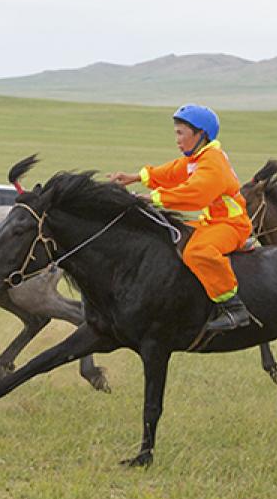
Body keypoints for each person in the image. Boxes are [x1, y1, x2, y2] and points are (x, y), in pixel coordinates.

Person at [107, 104, 253, 333]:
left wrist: (152, 198)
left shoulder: (212, 163)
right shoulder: (198, 157)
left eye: (180, 133)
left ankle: (234, 308)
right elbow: (173, 171)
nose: (176, 139)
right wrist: (135, 177)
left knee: (198, 252)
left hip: (231, 225)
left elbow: (195, 192)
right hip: (211, 221)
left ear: (201, 134)